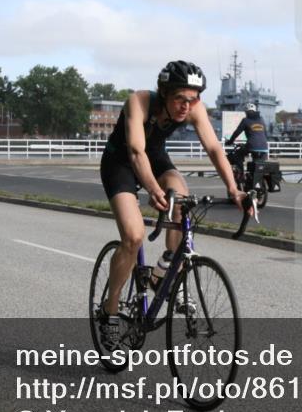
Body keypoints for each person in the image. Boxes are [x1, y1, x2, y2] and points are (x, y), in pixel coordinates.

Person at [98, 61, 245, 347]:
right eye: (179, 98)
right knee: (133, 237)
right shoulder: (139, 102)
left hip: (155, 158)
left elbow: (214, 148)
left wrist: (233, 189)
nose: (186, 106)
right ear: (164, 93)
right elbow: (136, 151)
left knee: (181, 197)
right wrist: (153, 188)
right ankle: (110, 310)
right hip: (121, 162)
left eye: (193, 99)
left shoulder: (194, 109)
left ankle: (165, 267)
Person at [225, 102, 270, 168]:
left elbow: (237, 132)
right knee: (259, 167)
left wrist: (230, 141)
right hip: (264, 147)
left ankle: (240, 172)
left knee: (238, 154)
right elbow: (265, 134)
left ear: (246, 112)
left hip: (251, 145)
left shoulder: (245, 120)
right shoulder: (261, 119)